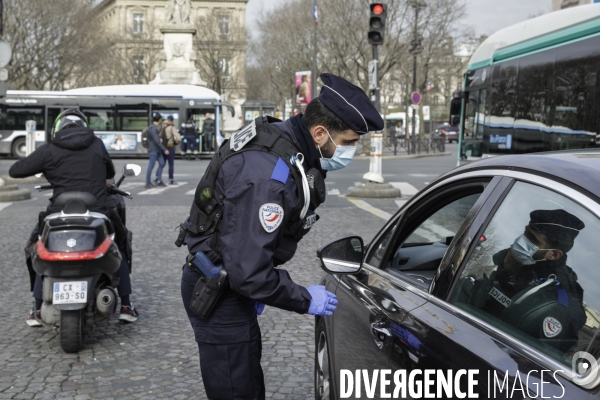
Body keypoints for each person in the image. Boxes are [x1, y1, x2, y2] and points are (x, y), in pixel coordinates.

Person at [178, 73, 383, 399]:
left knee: (244, 376)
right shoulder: (269, 177)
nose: (352, 151)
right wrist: (303, 298)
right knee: (237, 389)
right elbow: (248, 273)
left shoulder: (283, 142)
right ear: (319, 133)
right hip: (220, 292)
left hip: (227, 281)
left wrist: (254, 286)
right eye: (348, 142)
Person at [8, 109, 139, 325]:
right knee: (119, 244)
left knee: (37, 246)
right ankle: (126, 305)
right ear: (84, 125)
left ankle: (36, 308)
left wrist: (48, 167)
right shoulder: (96, 143)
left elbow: (15, 171)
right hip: (97, 210)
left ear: (58, 128)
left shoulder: (49, 149)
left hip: (59, 213)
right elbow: (109, 172)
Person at [463, 209, 587, 352]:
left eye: (532, 240)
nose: (522, 241)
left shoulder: (555, 304)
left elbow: (528, 361)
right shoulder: (515, 268)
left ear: (553, 254)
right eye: (525, 233)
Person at [146, 112, 169, 188]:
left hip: (157, 150)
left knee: (162, 163)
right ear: (159, 120)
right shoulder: (153, 128)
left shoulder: (154, 127)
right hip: (153, 150)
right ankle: (147, 182)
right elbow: (157, 141)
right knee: (151, 166)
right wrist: (164, 149)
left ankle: (159, 180)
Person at [160, 115, 181, 185]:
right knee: (171, 164)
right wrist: (175, 142)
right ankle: (170, 179)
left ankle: (157, 178)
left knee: (161, 164)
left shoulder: (162, 127)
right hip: (169, 147)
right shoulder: (172, 128)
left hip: (162, 147)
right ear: (172, 120)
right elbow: (179, 139)